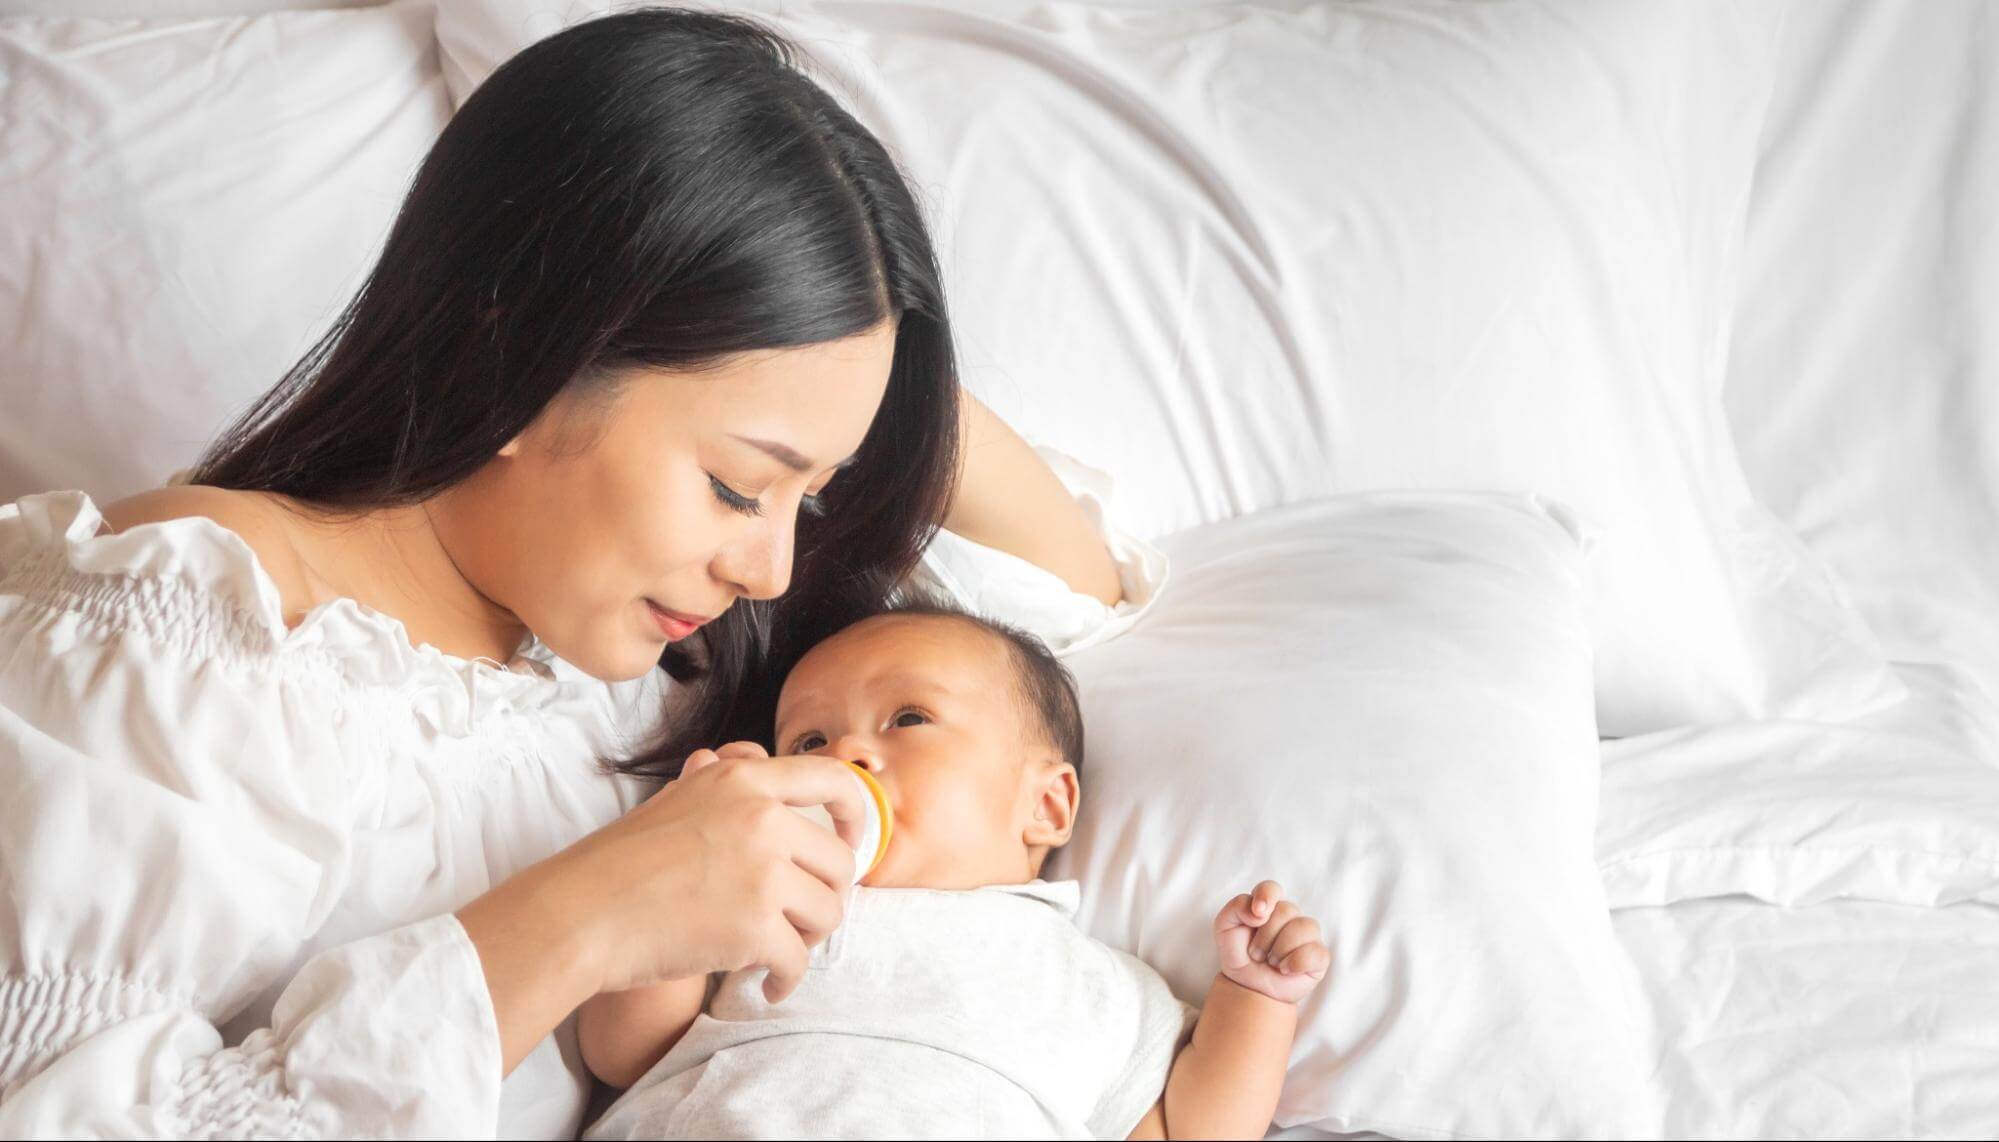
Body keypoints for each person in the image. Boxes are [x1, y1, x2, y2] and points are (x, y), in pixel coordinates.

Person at [0, 9, 1160, 1137]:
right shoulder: (197, 623)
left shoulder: (648, 659)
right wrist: (584, 916)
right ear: (515, 360)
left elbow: (1064, 595)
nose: (768, 567)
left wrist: (833, 348)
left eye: (808, 498)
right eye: (736, 484)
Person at [576, 603, 1328, 1140]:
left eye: (907, 719)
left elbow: (1189, 1128)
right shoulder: (761, 904)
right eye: (808, 742)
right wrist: (685, 858)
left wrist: (1255, 998)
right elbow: (623, 1052)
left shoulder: (1091, 982)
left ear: (1045, 804)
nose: (847, 757)